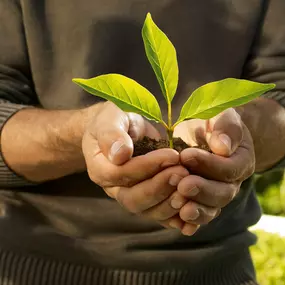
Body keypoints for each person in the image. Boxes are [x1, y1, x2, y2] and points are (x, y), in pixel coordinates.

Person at [0, 0, 285, 284]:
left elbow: (280, 91)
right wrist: (83, 132)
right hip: (35, 263)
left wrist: (236, 131)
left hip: (217, 269)